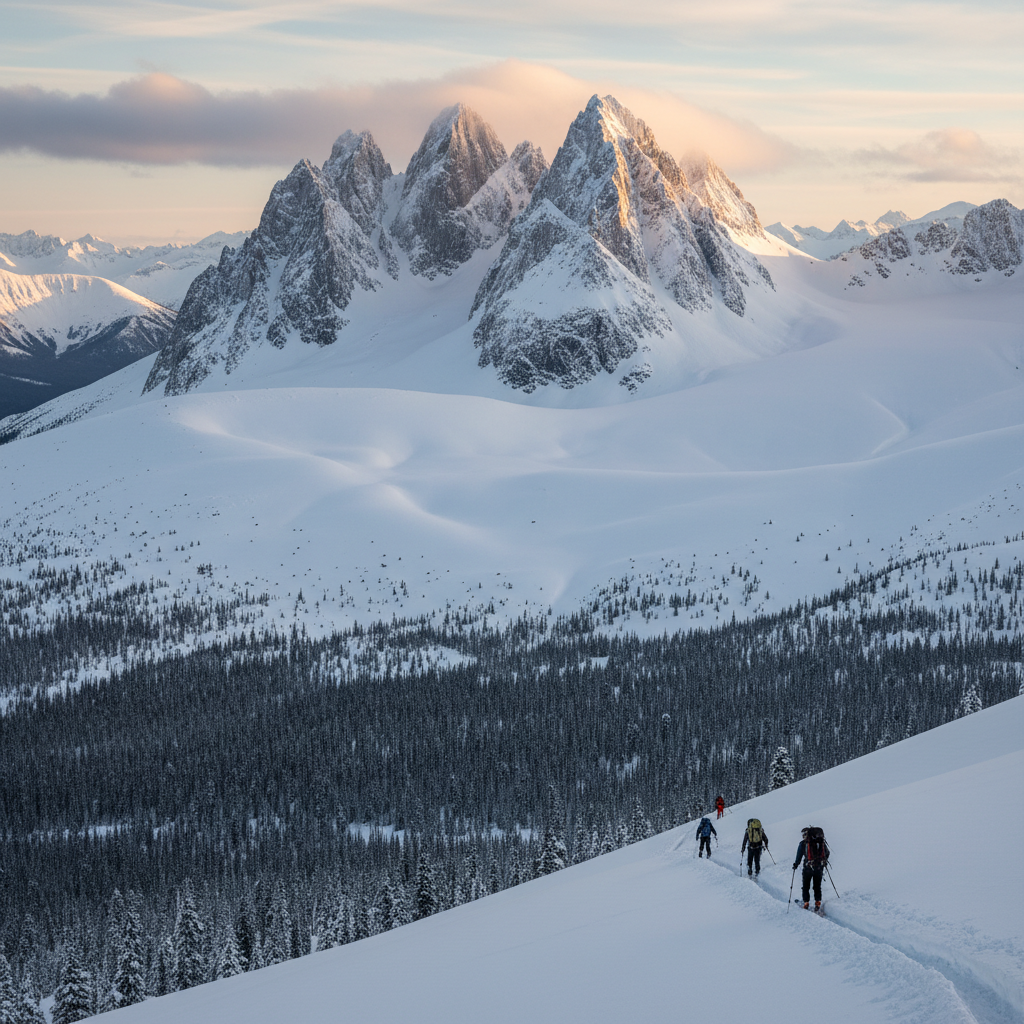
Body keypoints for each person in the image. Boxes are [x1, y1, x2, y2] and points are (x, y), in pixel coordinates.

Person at [792, 826, 830, 910]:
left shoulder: (803, 844)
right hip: (819, 867)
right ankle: (818, 903)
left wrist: (796, 864)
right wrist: (823, 861)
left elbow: (799, 856)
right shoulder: (820, 842)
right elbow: (827, 853)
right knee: (817, 886)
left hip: (808, 868)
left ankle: (806, 903)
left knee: (806, 886)